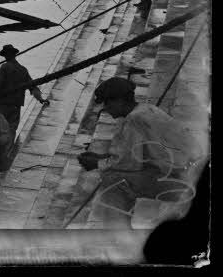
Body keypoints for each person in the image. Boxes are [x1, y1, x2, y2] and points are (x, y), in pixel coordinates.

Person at [77, 77, 205, 225]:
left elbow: (129, 163)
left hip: (185, 182)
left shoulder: (134, 119)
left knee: (113, 180)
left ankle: (118, 232)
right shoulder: (147, 109)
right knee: (115, 173)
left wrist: (96, 164)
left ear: (119, 101)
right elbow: (134, 154)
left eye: (107, 103)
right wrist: (102, 157)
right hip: (192, 172)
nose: (105, 108)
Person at [0, 44, 48, 135]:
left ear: (7, 55)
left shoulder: (5, 67)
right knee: (12, 129)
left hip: (3, 104)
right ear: (15, 55)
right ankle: (9, 147)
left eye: (5, 55)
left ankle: (1, 148)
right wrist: (40, 99)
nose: (5, 57)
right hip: (16, 105)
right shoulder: (23, 69)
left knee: (0, 129)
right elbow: (32, 86)